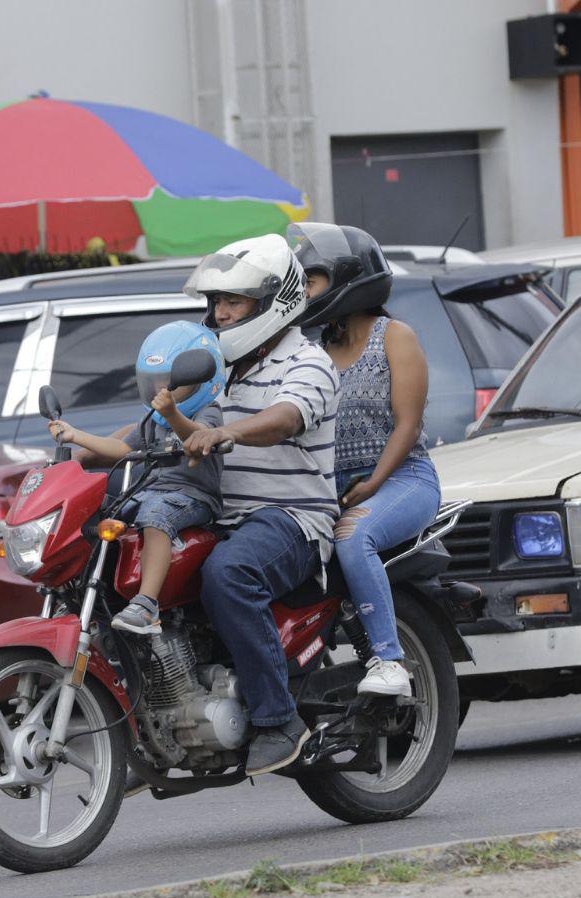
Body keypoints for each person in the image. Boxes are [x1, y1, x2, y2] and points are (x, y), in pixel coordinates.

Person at [181, 233, 340, 776]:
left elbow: (285, 419)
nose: (221, 314)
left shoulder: (308, 361)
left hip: (292, 519)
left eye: (235, 302)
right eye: (217, 303)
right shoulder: (218, 368)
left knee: (229, 574)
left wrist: (227, 434)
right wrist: (89, 445)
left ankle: (277, 720)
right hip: (223, 515)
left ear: (275, 302)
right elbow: (165, 420)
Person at [289, 221, 441, 698]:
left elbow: (408, 425)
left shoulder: (394, 336)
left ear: (346, 279)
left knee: (354, 540)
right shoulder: (313, 352)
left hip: (402, 479)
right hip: (334, 489)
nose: (305, 291)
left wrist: (374, 482)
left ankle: (389, 661)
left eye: (312, 280)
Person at [47, 320, 226, 635]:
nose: (161, 389)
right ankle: (89, 591)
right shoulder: (153, 421)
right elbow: (120, 449)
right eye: (156, 381)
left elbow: (198, 439)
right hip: (152, 492)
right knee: (103, 512)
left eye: (171, 382)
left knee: (155, 516)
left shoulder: (207, 412)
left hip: (193, 497)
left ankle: (147, 603)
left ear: (198, 382)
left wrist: (173, 414)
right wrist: (76, 435)